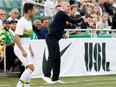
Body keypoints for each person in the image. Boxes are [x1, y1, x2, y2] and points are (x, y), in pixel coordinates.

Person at [42, 2, 83, 84]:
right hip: (52, 39)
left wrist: (62, 35)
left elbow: (55, 26)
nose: (69, 7)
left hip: (54, 39)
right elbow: (73, 21)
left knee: (57, 59)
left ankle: (55, 78)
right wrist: (82, 18)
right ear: (63, 6)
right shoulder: (61, 13)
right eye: (68, 6)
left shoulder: (60, 14)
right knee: (52, 57)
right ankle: (46, 75)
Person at [14, 3, 35, 87]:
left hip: (26, 47)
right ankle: (19, 85)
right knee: (31, 67)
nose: (34, 12)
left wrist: (30, 49)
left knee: (28, 68)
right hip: (20, 48)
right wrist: (22, 50)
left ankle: (26, 86)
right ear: (29, 11)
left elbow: (26, 37)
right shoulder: (21, 22)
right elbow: (16, 37)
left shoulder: (29, 21)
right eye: (33, 10)